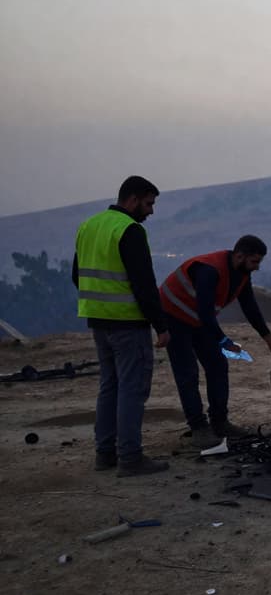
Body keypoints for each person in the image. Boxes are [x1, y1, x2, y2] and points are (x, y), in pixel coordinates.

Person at [72, 176, 171, 477]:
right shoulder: (130, 230)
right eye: (149, 203)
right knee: (132, 389)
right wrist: (161, 326)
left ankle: (105, 454)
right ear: (132, 199)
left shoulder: (90, 225)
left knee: (109, 386)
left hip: (98, 322)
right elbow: (144, 284)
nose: (151, 211)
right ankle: (130, 457)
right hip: (128, 324)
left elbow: (77, 275)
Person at [159, 235, 271, 448]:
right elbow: (206, 314)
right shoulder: (209, 270)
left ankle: (219, 422)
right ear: (240, 256)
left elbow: (249, 305)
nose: (257, 267)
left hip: (197, 321)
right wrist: (224, 341)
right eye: (254, 262)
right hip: (173, 318)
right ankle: (198, 428)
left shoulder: (241, 273)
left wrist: (267, 337)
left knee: (217, 365)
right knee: (187, 373)